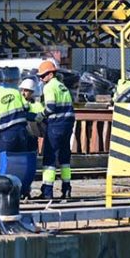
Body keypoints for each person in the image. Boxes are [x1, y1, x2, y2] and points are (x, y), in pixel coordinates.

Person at [37, 60, 75, 199]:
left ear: (50, 74)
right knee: (65, 158)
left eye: (42, 76)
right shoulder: (62, 86)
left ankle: (47, 192)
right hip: (67, 124)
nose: (41, 79)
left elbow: (50, 107)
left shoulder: (49, 87)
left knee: (50, 158)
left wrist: (39, 116)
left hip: (56, 125)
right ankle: (66, 189)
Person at [0, 73, 33, 154]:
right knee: (22, 161)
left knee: (5, 162)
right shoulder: (15, 91)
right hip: (22, 132)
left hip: (6, 135)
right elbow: (27, 108)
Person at [19, 77, 45, 151]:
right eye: (22, 90)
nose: (23, 93)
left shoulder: (37, 104)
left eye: (26, 91)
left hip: (33, 135)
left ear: (32, 92)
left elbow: (42, 117)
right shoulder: (19, 102)